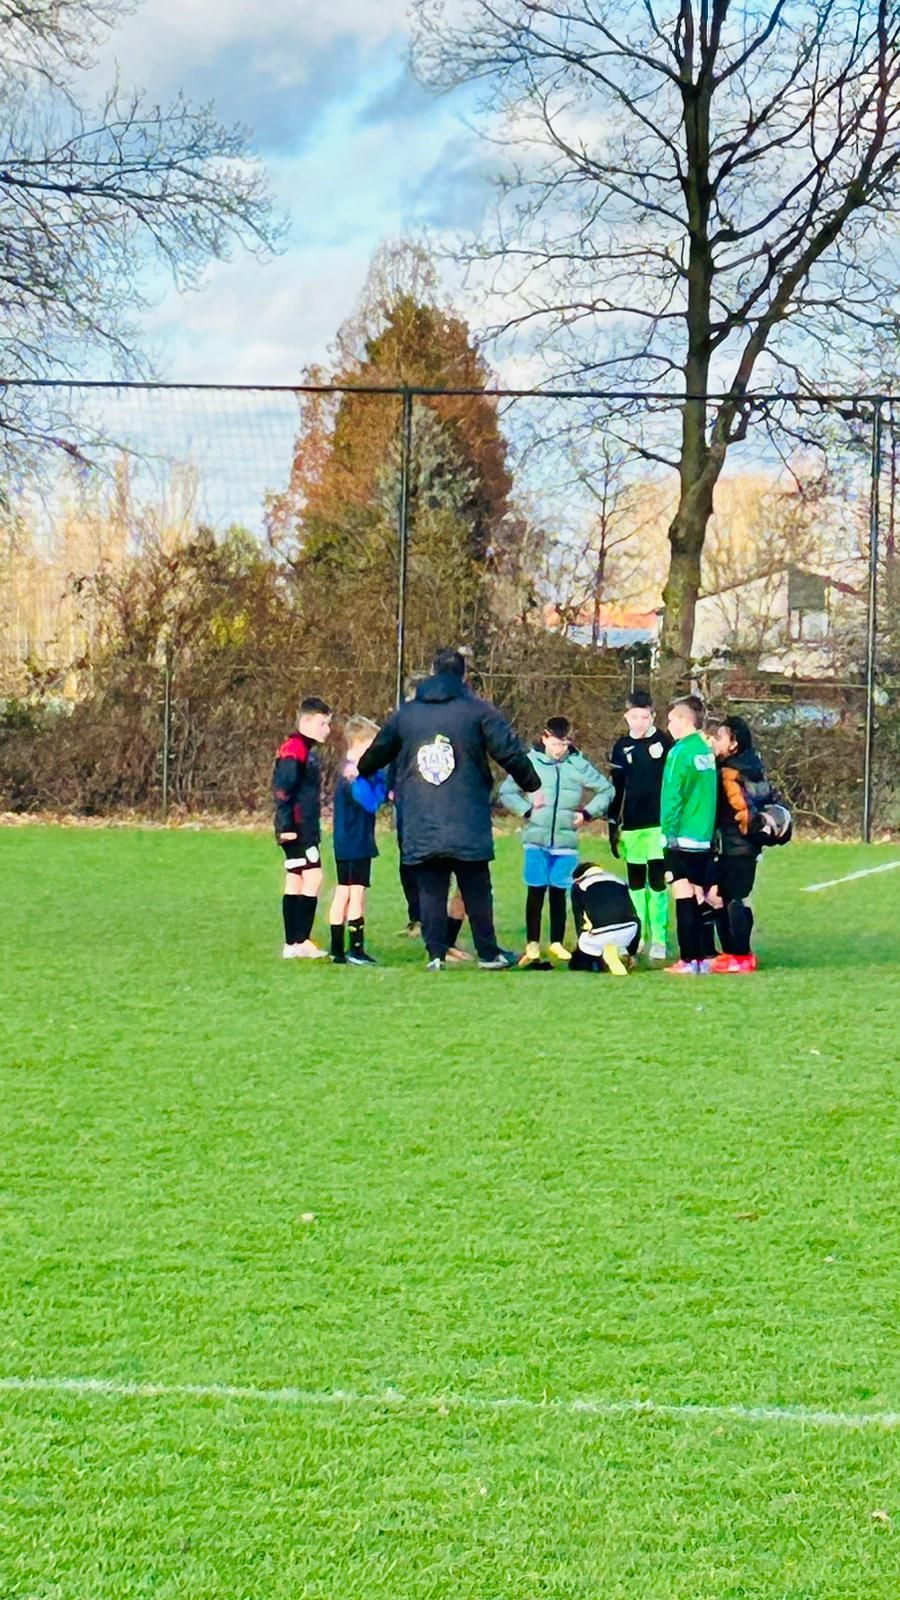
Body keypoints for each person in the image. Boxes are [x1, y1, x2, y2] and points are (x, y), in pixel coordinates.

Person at [357, 646, 542, 969]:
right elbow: (508, 751)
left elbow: (379, 751)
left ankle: (435, 954)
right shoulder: (478, 711)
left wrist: (363, 768)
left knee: (431, 887)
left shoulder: (407, 714)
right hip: (467, 816)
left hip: (421, 816)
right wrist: (533, 785)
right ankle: (488, 953)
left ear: (431, 672)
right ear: (464, 675)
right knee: (476, 887)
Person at [499, 715, 613, 965]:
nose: (559, 749)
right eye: (555, 743)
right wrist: (526, 810)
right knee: (536, 890)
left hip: (565, 840)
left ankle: (557, 943)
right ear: (544, 738)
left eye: (564, 744)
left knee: (560, 891)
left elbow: (607, 790)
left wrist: (586, 814)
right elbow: (507, 792)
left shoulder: (577, 764)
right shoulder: (530, 762)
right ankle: (532, 945)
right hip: (536, 838)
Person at [608, 689, 673, 963]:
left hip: (658, 825)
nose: (639, 722)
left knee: (657, 882)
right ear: (626, 717)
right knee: (635, 883)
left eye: (645, 717)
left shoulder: (664, 742)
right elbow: (616, 789)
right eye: (634, 717)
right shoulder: (621, 747)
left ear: (653, 716)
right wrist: (613, 822)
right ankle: (636, 937)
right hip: (632, 826)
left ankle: (659, 939)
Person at [706, 715, 773, 974]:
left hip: (734, 844)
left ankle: (740, 954)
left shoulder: (729, 772)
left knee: (732, 898)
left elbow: (740, 809)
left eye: (720, 737)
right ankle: (734, 952)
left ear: (733, 744)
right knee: (732, 897)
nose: (715, 741)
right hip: (747, 845)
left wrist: (743, 829)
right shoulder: (752, 763)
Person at [660, 694, 718, 975]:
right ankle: (702, 958)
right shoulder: (705, 751)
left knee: (682, 894)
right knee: (697, 894)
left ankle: (687, 960)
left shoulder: (679, 752)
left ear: (685, 720)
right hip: (703, 836)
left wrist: (667, 833)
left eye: (672, 719)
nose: (668, 725)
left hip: (681, 836)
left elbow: (673, 795)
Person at [272, 695, 333, 960]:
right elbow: (283, 790)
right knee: (313, 876)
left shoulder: (301, 749)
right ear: (306, 722)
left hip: (299, 825)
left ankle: (292, 943)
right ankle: (301, 940)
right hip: (298, 827)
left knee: (296, 878)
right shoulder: (295, 749)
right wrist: (287, 825)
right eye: (323, 723)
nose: (327, 730)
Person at [328, 716, 388, 966]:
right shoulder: (353, 775)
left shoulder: (351, 771)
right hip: (356, 841)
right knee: (356, 892)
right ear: (359, 743)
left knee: (343, 890)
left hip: (346, 841)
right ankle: (355, 948)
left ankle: (336, 949)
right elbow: (371, 802)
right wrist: (380, 783)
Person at [568, 862, 641, 975]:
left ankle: (601, 960)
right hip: (628, 931)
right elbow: (633, 914)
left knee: (576, 962)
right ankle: (625, 954)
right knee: (634, 922)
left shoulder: (579, 886)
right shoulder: (620, 881)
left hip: (601, 934)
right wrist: (632, 952)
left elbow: (580, 921)